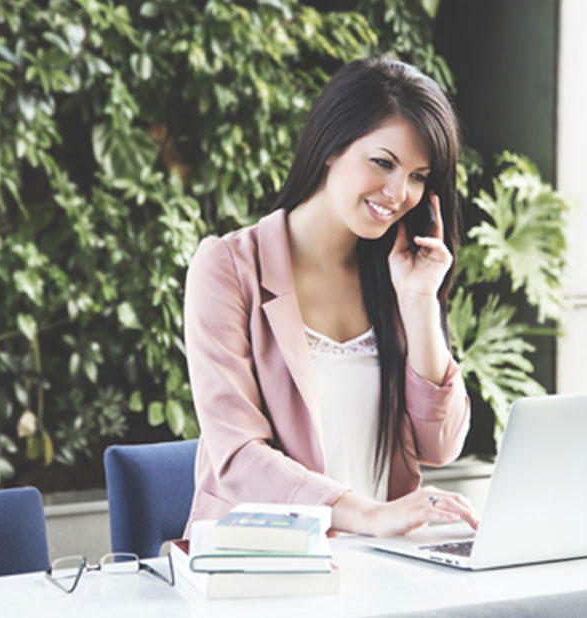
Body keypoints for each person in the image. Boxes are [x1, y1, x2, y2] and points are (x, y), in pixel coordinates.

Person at [182, 57, 480, 538]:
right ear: (330, 148)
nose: (399, 192)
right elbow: (236, 455)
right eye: (383, 163)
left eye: (419, 176)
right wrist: (367, 514)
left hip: (383, 568)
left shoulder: (398, 274)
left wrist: (421, 303)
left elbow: (440, 446)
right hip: (265, 563)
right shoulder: (229, 267)